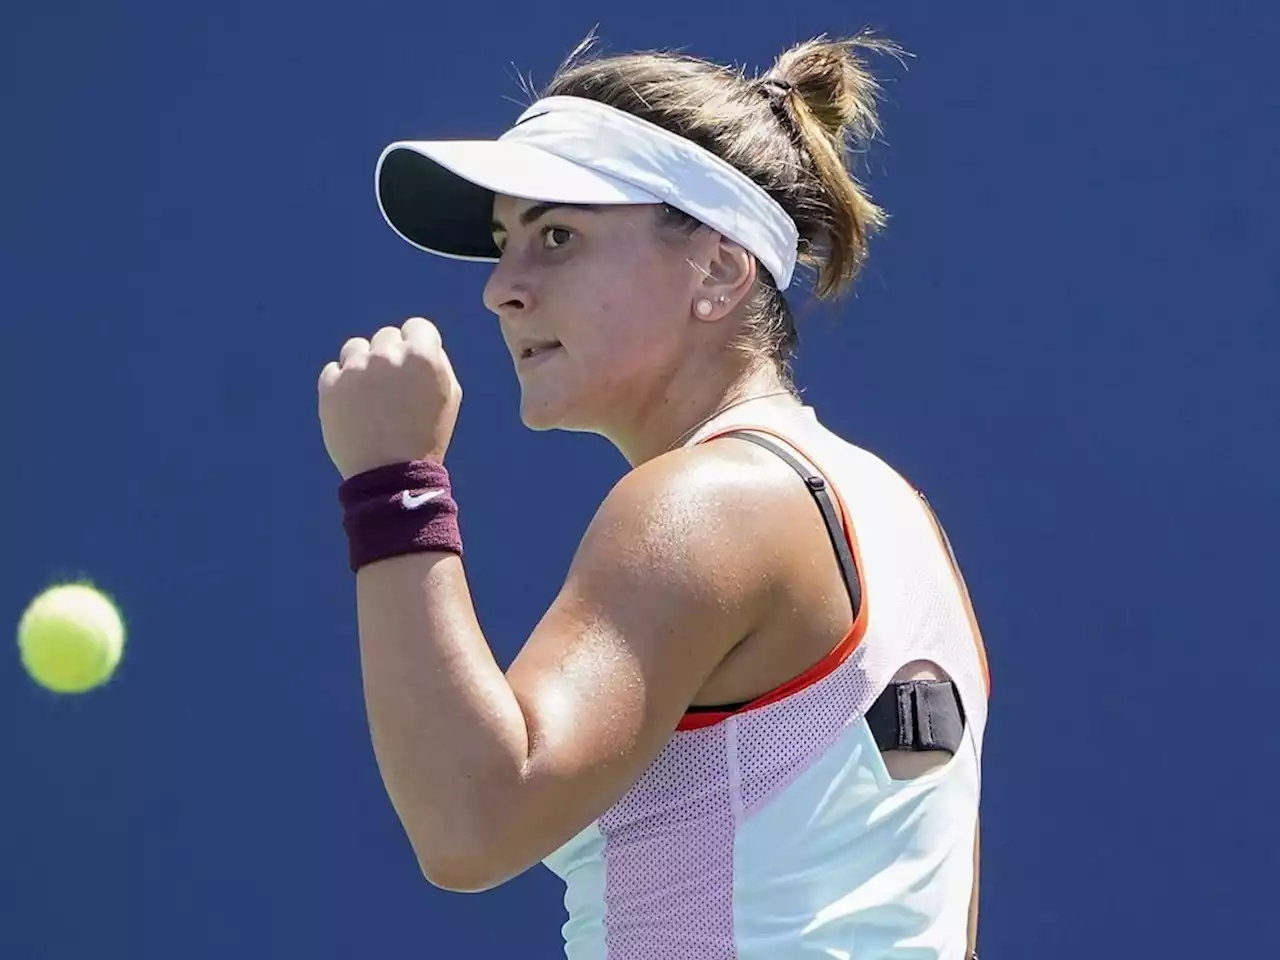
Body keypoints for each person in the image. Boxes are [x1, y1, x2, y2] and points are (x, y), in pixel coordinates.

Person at [318, 30, 990, 960]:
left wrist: (392, 482)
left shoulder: (710, 502)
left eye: (559, 236)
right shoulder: (892, 513)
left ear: (718, 270)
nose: (502, 289)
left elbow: (471, 820)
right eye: (505, 242)